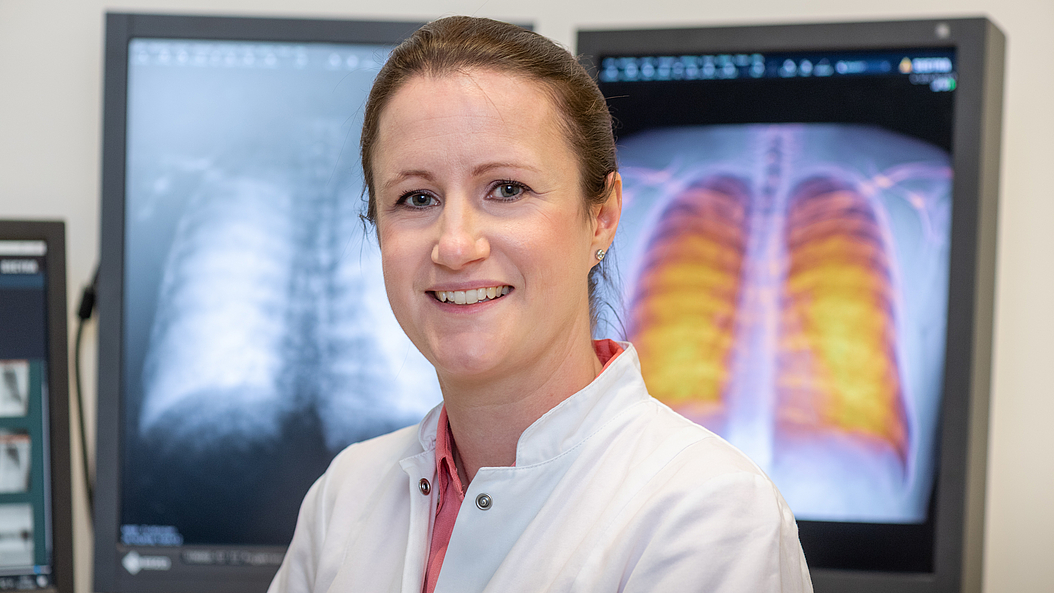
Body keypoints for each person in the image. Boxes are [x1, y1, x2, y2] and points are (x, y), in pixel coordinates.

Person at [269, 16, 813, 593]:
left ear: (600, 218)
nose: (455, 245)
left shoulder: (708, 517)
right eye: (416, 197)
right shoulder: (345, 497)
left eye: (507, 189)